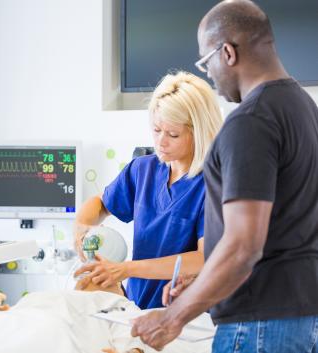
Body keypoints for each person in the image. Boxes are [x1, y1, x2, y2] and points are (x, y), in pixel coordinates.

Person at [130, 1, 318, 352]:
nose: (209, 74)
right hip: (301, 314)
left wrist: (174, 317)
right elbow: (283, 229)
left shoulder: (251, 121)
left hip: (259, 321)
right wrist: (204, 284)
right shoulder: (302, 108)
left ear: (227, 52)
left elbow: (243, 246)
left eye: (206, 62)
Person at [73, 71, 222, 309]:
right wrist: (81, 227)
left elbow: (204, 258)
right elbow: (100, 204)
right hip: (135, 303)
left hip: (183, 312)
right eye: (156, 130)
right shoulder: (143, 169)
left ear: (199, 133)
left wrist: (125, 269)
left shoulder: (214, 184)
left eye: (173, 134)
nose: (160, 142)